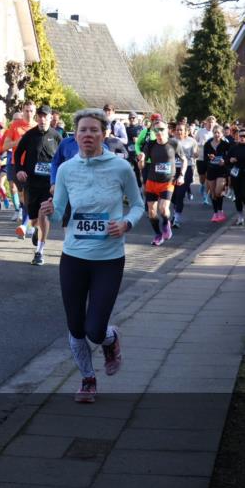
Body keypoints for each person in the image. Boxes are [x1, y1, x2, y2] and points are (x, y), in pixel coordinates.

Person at [39, 109, 144, 403]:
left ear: (104, 134)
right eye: (82, 130)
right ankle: (87, 379)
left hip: (109, 259)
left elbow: (137, 205)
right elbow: (59, 212)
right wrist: (49, 211)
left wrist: (126, 223)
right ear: (75, 134)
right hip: (73, 257)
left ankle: (110, 339)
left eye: (93, 130)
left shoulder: (120, 167)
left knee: (94, 330)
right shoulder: (66, 170)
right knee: (75, 326)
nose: (87, 135)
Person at [14, 105, 62, 265]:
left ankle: (39, 251)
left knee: (44, 214)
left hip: (49, 185)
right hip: (31, 183)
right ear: (37, 118)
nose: (42, 119)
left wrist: (60, 180)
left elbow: (63, 159)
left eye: (45, 116)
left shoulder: (56, 136)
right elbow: (18, 153)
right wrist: (19, 170)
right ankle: (34, 229)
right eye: (40, 116)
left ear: (50, 118)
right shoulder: (29, 135)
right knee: (34, 218)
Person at [139, 120, 186, 245]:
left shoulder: (174, 143)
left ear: (167, 130)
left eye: (161, 129)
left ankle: (166, 224)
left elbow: (184, 160)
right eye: (156, 130)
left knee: (164, 209)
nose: (159, 132)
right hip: (152, 181)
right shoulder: (150, 144)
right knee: (151, 212)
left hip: (167, 181)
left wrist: (181, 175)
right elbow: (142, 165)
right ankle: (158, 235)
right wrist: (141, 160)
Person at [1, 103, 35, 227]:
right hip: (17, 165)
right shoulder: (15, 126)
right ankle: (27, 219)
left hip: (32, 166)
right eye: (26, 111)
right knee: (22, 196)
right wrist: (18, 142)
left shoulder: (37, 127)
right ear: (22, 111)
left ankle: (27, 224)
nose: (29, 113)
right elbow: (5, 146)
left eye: (31, 111)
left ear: (34, 112)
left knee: (29, 195)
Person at [203, 125, 232, 222]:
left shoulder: (225, 144)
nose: (216, 134)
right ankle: (216, 213)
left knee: (218, 191)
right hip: (211, 170)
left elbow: (230, 157)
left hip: (221, 171)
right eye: (215, 132)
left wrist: (225, 161)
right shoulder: (207, 144)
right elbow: (205, 158)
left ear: (222, 133)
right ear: (212, 133)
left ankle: (221, 210)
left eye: (218, 132)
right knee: (213, 194)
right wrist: (209, 158)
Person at [171, 123, 197, 228]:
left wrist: (195, 154)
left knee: (180, 194)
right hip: (172, 169)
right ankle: (175, 212)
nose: (178, 132)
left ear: (186, 131)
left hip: (186, 169)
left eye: (181, 130)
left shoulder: (191, 141)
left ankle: (177, 218)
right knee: (172, 195)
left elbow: (196, 153)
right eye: (177, 130)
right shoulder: (170, 141)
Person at [195, 115, 217, 205]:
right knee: (202, 178)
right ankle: (202, 185)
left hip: (211, 158)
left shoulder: (216, 132)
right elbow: (195, 142)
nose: (211, 124)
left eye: (212, 122)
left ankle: (206, 196)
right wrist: (200, 144)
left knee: (209, 177)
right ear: (206, 123)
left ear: (214, 123)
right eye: (209, 122)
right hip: (201, 157)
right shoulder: (200, 132)